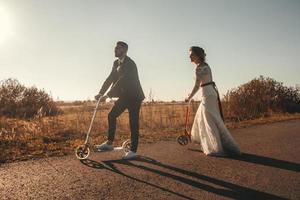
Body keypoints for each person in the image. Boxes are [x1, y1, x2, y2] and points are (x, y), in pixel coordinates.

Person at [186, 46, 241, 156]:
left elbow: (197, 85)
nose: (190, 56)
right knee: (207, 117)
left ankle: (216, 147)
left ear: (198, 55)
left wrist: (189, 97)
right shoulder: (206, 66)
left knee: (209, 120)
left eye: (192, 54)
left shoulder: (199, 68)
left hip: (207, 94)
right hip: (210, 93)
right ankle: (219, 144)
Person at [95, 41, 145, 159]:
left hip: (134, 97)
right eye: (115, 48)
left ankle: (133, 151)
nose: (115, 49)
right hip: (124, 96)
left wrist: (108, 95)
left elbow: (122, 80)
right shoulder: (115, 63)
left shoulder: (130, 63)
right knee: (111, 115)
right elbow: (110, 78)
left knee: (133, 123)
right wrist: (101, 92)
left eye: (118, 48)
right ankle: (109, 143)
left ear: (125, 50)